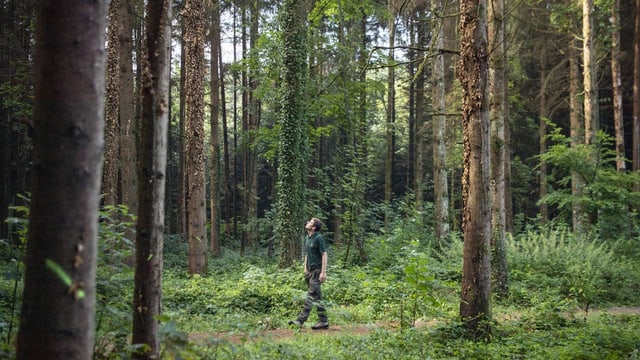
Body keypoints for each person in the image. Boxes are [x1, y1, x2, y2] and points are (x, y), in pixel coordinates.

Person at [290, 217, 329, 330]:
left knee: (310, 296)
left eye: (310, 222)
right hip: (309, 271)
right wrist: (305, 268)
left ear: (314, 227)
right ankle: (323, 322)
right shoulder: (308, 237)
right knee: (317, 297)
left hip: (317, 271)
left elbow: (324, 255)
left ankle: (300, 321)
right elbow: (307, 254)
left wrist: (323, 272)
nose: (307, 222)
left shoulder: (319, 238)